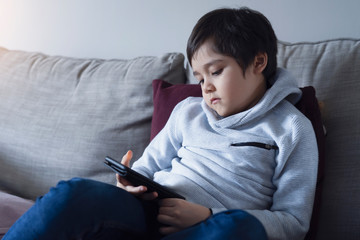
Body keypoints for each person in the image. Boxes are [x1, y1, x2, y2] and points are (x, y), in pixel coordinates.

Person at [3, 7, 318, 240]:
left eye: (217, 71)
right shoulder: (188, 112)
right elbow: (147, 169)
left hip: (210, 228)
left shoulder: (292, 129)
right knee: (75, 192)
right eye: (200, 77)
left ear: (258, 62)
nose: (205, 87)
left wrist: (207, 216)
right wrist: (129, 183)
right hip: (148, 214)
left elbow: (292, 222)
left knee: (238, 229)